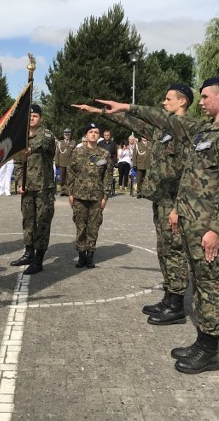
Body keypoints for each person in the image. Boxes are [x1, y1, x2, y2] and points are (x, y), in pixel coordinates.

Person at [97, 77, 219, 374]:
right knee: (198, 279)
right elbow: (166, 126)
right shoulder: (203, 129)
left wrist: (216, 229)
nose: (201, 102)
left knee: (208, 282)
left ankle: (209, 351)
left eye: (205, 97)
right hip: (189, 216)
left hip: (206, 223)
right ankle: (202, 342)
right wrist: (127, 107)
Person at [74, 83, 196, 325]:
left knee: (175, 250)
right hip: (161, 199)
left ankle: (177, 305)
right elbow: (131, 123)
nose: (163, 102)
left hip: (174, 203)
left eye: (168, 98)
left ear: (182, 102)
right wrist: (98, 112)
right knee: (164, 250)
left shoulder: (186, 130)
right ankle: (169, 297)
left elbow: (190, 174)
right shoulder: (163, 131)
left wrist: (179, 207)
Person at [11, 104, 56, 275]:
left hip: (44, 188)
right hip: (28, 188)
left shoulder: (46, 134)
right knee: (28, 221)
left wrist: (28, 149)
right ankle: (29, 252)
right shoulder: (21, 137)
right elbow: (17, 162)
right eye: (29, 116)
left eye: (35, 116)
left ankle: (38, 259)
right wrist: (20, 182)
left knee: (43, 223)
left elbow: (41, 144)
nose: (32, 118)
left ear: (41, 118)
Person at [67, 122, 113, 268]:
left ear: (99, 135)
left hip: (96, 197)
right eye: (91, 131)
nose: (93, 134)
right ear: (86, 135)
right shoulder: (77, 152)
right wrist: (70, 193)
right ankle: (81, 255)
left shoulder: (104, 154)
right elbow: (71, 172)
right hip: (79, 196)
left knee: (93, 227)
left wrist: (105, 196)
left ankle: (90, 255)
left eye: (96, 132)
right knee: (81, 227)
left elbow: (108, 175)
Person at [54, 128, 76, 196]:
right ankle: (63, 190)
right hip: (61, 163)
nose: (67, 135)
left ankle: (68, 191)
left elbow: (74, 154)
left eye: (68, 134)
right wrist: (56, 162)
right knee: (62, 178)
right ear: (64, 135)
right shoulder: (60, 143)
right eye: (66, 134)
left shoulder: (73, 142)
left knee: (69, 178)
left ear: (70, 135)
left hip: (69, 163)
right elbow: (57, 153)